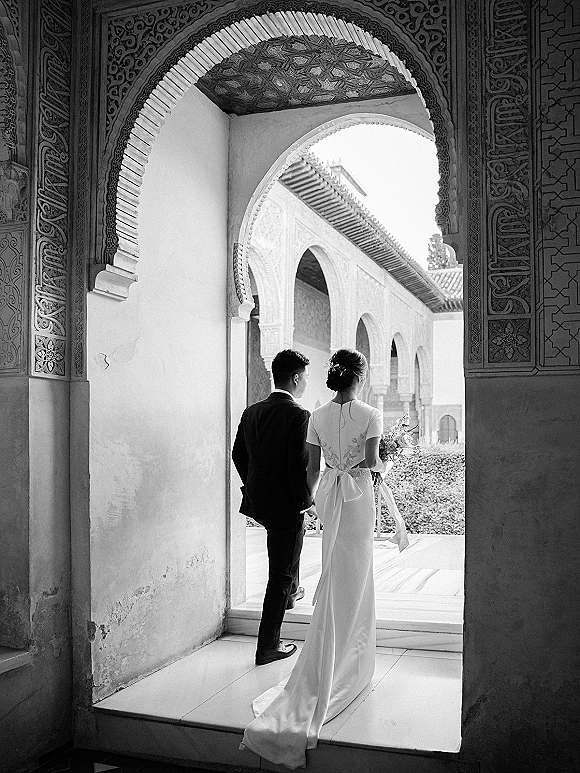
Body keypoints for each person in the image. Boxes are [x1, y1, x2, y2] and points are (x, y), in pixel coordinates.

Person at [240, 348, 384, 769]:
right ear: (359, 375)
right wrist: (381, 465)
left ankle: (327, 652)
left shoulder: (316, 416)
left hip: (328, 498)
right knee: (357, 575)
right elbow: (373, 462)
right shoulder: (371, 413)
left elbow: (310, 471)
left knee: (335, 569)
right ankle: (353, 660)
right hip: (358, 497)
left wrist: (317, 498)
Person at [232, 349, 312, 667]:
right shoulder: (298, 415)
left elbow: (239, 454)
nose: (306, 383)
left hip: (259, 502)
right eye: (305, 377)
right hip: (284, 506)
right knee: (278, 573)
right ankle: (268, 645)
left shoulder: (252, 411)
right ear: (295, 378)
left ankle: (293, 590)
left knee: (287, 554)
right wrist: (305, 503)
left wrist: (255, 484)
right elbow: (298, 466)